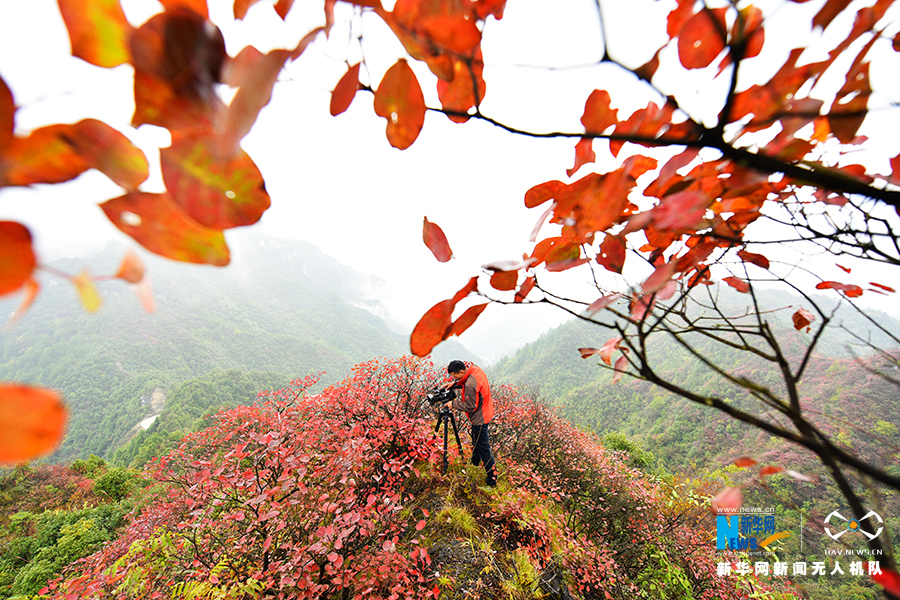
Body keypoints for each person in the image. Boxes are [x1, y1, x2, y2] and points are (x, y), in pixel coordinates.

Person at [443, 360, 497, 487]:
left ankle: (492, 481)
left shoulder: (471, 384)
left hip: (480, 419)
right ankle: (475, 463)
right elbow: (469, 381)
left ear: (461, 371)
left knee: (484, 450)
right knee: (476, 440)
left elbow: (470, 406)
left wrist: (453, 404)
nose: (454, 378)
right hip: (486, 411)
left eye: (455, 376)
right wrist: (455, 384)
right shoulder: (475, 370)